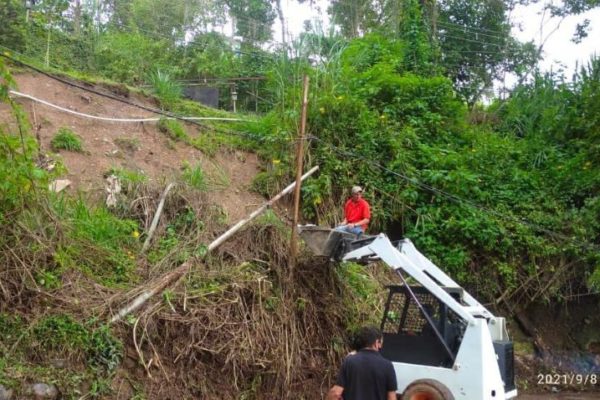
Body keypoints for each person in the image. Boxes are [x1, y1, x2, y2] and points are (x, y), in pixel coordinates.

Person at [327, 326, 398, 400]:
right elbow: (391, 398)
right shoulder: (388, 366)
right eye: (381, 343)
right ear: (377, 343)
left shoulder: (349, 361)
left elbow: (335, 393)